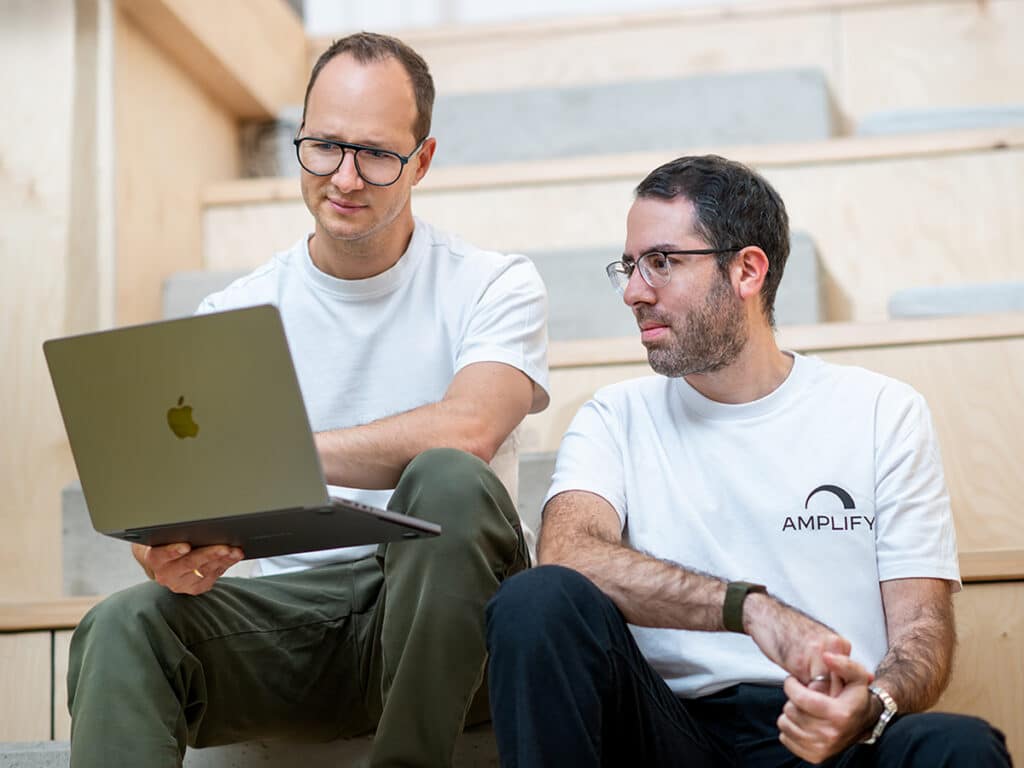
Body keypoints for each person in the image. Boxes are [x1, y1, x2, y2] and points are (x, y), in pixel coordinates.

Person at [67, 32, 549, 768]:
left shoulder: (493, 284)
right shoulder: (238, 312)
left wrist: (281, 451)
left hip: (458, 619)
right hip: (304, 627)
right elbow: (192, 513)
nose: (345, 178)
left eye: (377, 154)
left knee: (448, 475)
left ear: (422, 160)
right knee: (123, 623)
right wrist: (171, 552)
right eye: (324, 145)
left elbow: (473, 428)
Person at [485, 154, 1011, 767]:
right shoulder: (614, 417)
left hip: (824, 737)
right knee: (536, 601)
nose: (632, 291)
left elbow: (922, 631)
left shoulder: (880, 411)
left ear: (747, 271)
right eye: (628, 267)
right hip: (668, 734)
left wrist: (874, 706)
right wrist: (750, 610)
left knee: (961, 747)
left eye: (661, 262)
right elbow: (569, 554)